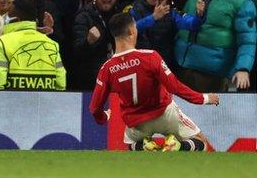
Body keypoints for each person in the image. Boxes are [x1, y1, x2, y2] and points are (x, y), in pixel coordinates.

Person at [89, 12, 219, 152]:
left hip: (137, 123)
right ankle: (179, 146)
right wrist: (204, 98)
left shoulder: (106, 69)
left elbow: (95, 107)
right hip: (165, 114)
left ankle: (144, 146)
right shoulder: (150, 57)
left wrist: (104, 117)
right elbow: (174, 86)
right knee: (202, 143)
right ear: (132, 31)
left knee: (131, 143)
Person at [0, 0, 66, 90]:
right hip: (45, 103)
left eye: (9, 13)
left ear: (16, 19)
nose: (5, 16)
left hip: (12, 104)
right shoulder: (52, 45)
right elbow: (60, 85)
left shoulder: (1, 44)